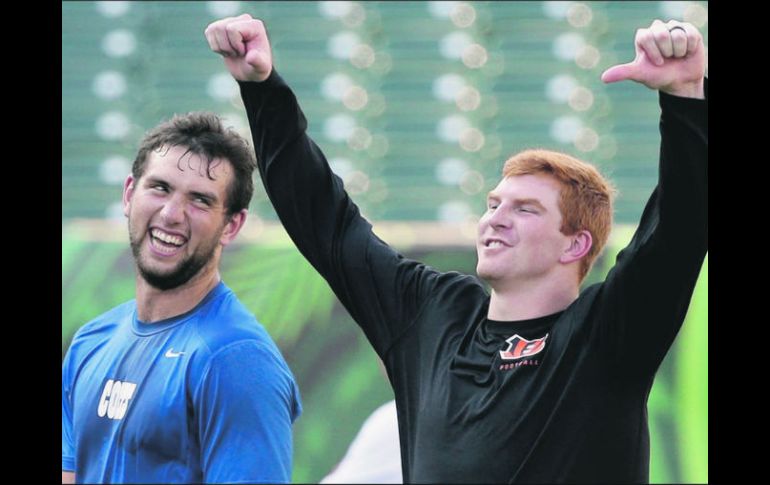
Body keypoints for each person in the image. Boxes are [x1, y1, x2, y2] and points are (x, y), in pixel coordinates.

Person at [206, 14, 707, 483]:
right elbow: (325, 221)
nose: (496, 219)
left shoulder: (607, 335)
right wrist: (261, 88)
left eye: (525, 209)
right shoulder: (431, 315)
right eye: (493, 204)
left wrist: (684, 97)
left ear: (575, 245)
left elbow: (677, 234)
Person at [61, 112, 302, 483]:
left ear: (232, 225)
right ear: (129, 194)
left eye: (200, 201)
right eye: (159, 187)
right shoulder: (91, 341)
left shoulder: (236, 360)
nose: (172, 214)